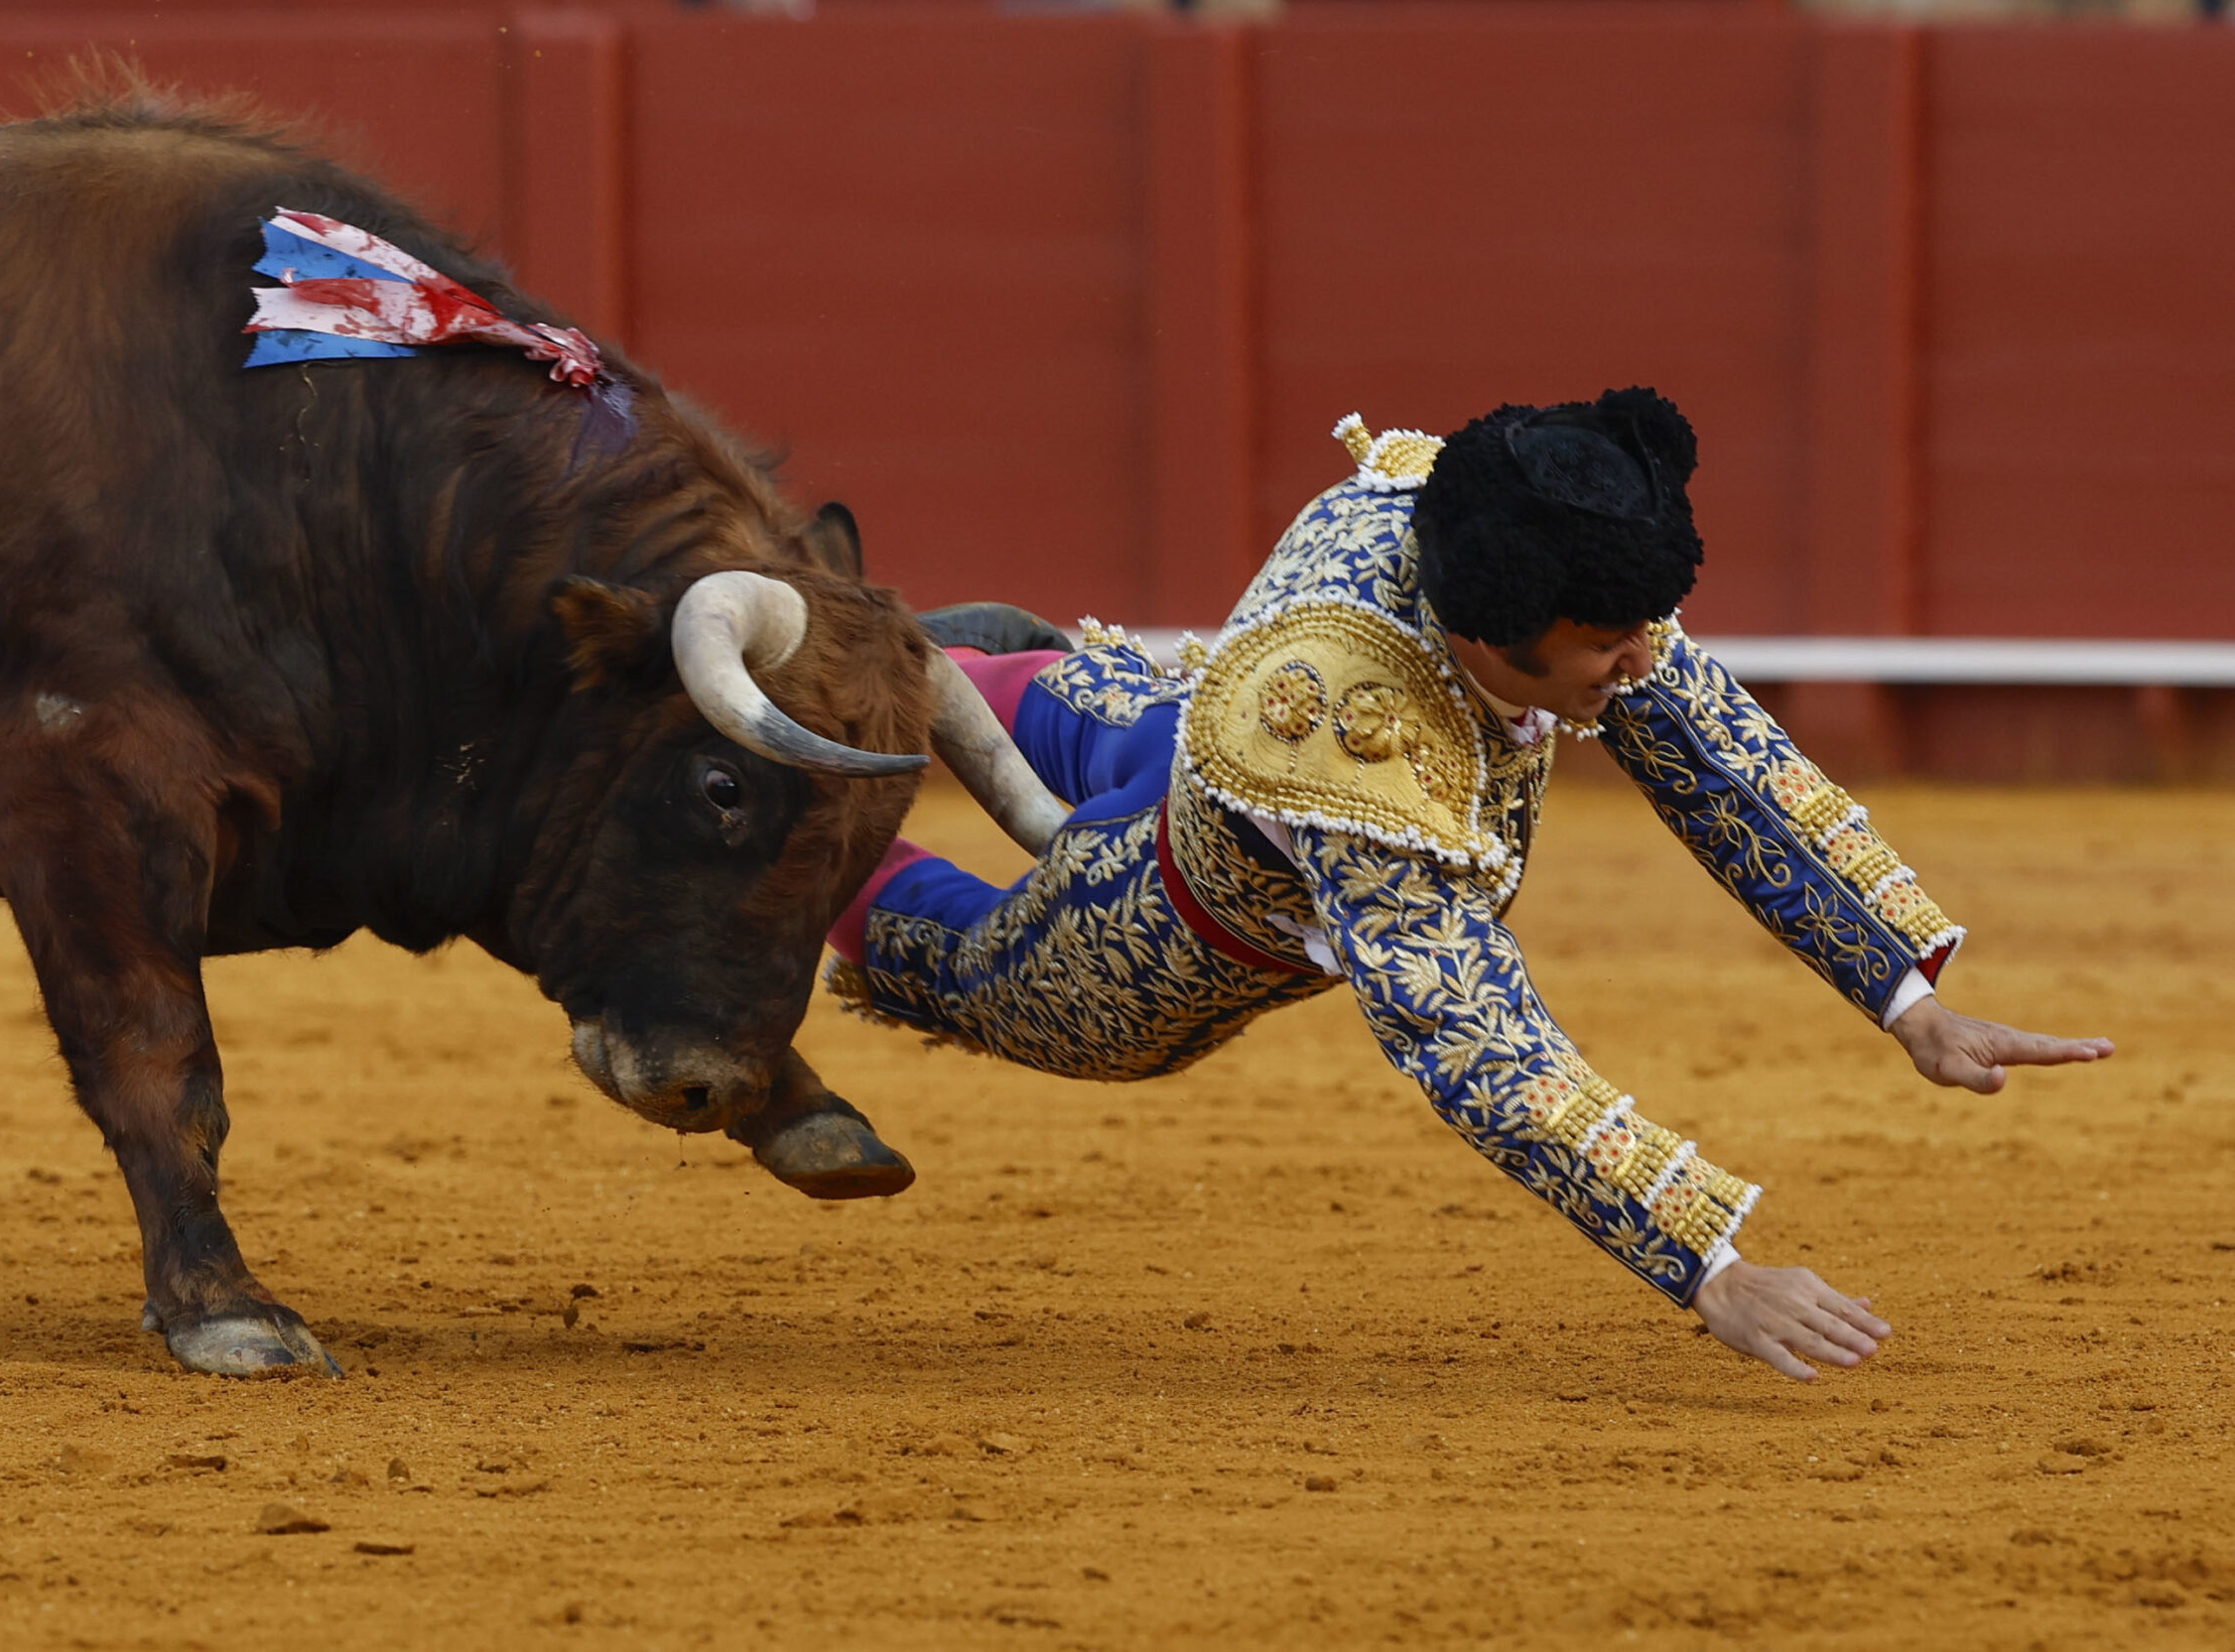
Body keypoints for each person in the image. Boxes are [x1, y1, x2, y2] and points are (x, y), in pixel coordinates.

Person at [796, 389, 2112, 1381]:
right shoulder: (1364, 754)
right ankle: (806, 840)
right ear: (1492, 634)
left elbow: (1720, 765)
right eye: (1606, 646)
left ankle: (930, 668)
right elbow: (1476, 1040)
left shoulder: (1501, 534)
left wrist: (1906, 1001)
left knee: (1142, 724)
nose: (1641, 660)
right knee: (978, 967)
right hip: (1168, 921)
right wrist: (1709, 1264)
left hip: (1207, 728)